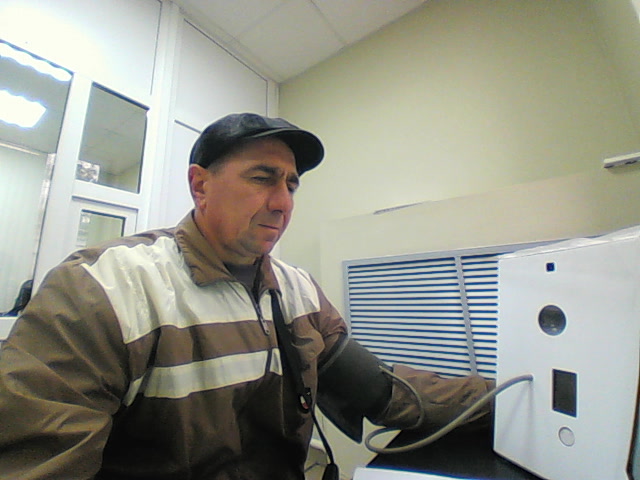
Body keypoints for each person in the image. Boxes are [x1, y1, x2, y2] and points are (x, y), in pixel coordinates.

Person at [0, 113, 493, 480]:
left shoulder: (300, 291)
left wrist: (502, 400)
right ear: (200, 185)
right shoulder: (103, 288)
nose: (282, 203)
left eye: (292, 185)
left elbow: (385, 393)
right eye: (262, 178)